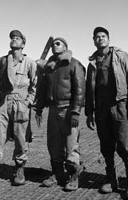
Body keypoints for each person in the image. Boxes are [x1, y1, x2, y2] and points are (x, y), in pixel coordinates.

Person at [85, 27, 128, 198]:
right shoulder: (92, 63)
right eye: (97, 37)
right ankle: (111, 180)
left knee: (125, 145)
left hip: (120, 106)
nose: (100, 39)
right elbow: (89, 90)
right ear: (94, 41)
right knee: (106, 146)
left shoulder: (121, 56)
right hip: (101, 109)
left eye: (103, 36)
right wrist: (89, 112)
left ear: (108, 39)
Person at [0, 30, 37, 187]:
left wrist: (29, 101)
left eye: (18, 38)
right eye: (12, 38)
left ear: (23, 44)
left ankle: (19, 169)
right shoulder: (1, 62)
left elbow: (36, 85)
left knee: (21, 138)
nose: (14, 40)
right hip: (3, 103)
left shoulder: (30, 63)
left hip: (21, 104)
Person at [35, 37, 86, 191]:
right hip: (52, 110)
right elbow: (42, 88)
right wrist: (38, 108)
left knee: (71, 145)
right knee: (54, 144)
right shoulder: (49, 67)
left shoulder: (74, 64)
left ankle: (73, 176)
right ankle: (58, 174)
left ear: (65, 47)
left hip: (69, 109)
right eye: (52, 45)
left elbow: (80, 89)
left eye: (58, 44)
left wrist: (76, 111)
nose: (54, 46)